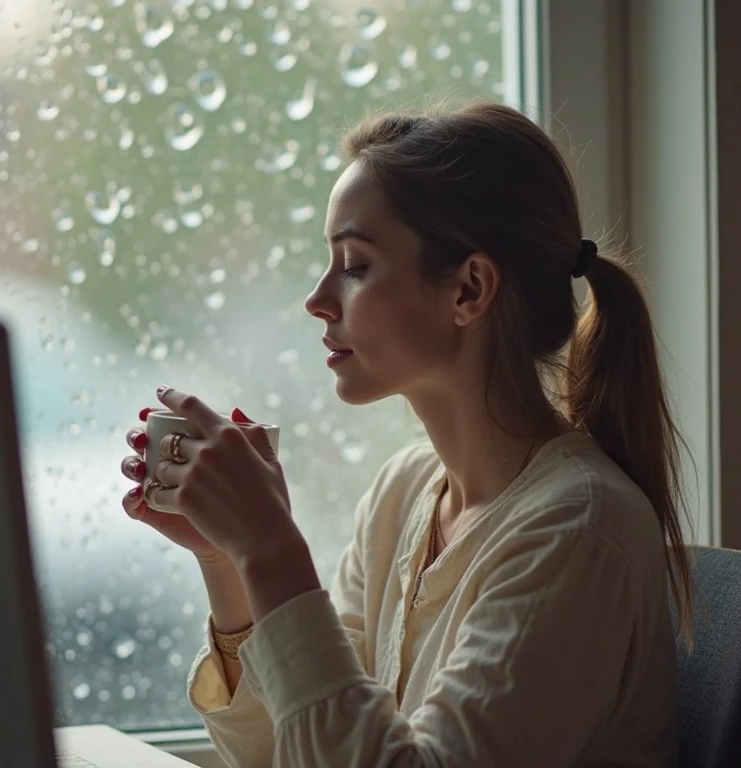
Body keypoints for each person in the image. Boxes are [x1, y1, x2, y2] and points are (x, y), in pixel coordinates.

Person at [119, 101, 691, 767]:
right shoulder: (403, 493)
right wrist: (230, 564)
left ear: (469, 290)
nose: (317, 298)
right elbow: (284, 752)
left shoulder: (577, 529)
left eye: (355, 264)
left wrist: (272, 548)